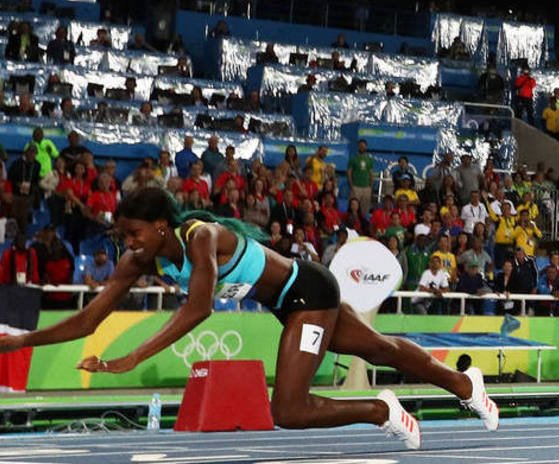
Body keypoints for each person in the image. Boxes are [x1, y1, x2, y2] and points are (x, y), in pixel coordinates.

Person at [0, 187, 498, 449]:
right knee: (383, 349)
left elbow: (199, 308)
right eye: (123, 237)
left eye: (132, 234)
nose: (127, 245)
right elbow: (88, 320)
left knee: (288, 410)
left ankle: (382, 411)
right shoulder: (139, 261)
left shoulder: (201, 237)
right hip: (292, 303)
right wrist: (20, 340)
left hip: (308, 289)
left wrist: (131, 358)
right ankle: (465, 385)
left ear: (159, 226)